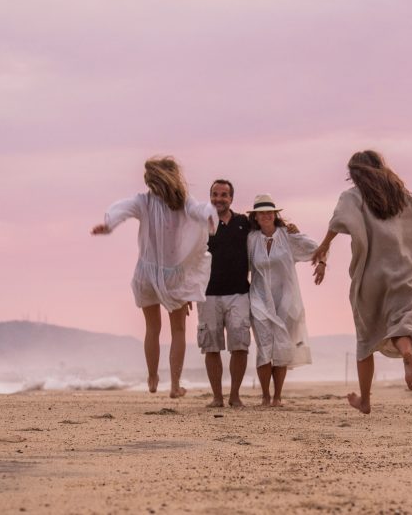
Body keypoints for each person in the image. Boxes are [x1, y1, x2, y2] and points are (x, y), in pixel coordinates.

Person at [311, 150, 412, 414]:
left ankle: (365, 400)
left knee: (365, 338)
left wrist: (323, 247)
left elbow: (339, 222)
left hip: (372, 275)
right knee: (401, 322)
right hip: (403, 270)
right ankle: (407, 354)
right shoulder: (398, 195)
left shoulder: (352, 197)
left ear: (354, 174)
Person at [91, 157, 216, 398]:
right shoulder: (183, 202)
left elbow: (121, 208)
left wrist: (109, 224)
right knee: (178, 330)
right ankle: (175, 385)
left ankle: (152, 376)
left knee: (152, 328)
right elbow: (201, 211)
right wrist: (211, 216)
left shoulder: (143, 201)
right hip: (172, 277)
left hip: (145, 274)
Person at [246, 194, 318, 407]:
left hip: (286, 300)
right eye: (262, 212)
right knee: (264, 346)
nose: (266, 215)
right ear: (256, 217)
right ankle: (265, 396)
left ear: (275, 214)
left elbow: (314, 247)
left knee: (281, 347)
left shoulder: (287, 236)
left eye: (270, 211)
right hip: (259, 299)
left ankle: (277, 396)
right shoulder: (251, 239)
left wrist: (321, 262)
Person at [197, 179, 251, 408]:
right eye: (215, 194)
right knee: (211, 346)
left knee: (240, 344)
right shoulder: (201, 224)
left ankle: (235, 396)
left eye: (224, 195)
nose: (219, 198)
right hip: (207, 294)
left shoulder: (244, 222)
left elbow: (270, 228)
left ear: (231, 198)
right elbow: (189, 257)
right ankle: (217, 397)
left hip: (239, 292)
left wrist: (288, 227)